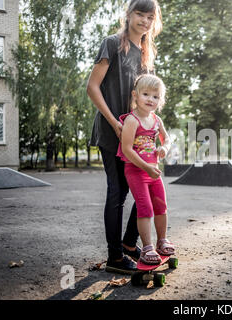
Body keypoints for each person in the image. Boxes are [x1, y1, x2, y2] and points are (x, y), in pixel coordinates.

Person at [86, 0, 163, 274]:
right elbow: (92, 87)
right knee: (117, 191)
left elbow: (147, 97)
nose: (144, 20)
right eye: (139, 13)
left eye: (149, 16)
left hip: (136, 135)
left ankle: (130, 244)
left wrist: (153, 127)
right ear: (128, 15)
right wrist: (114, 124)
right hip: (112, 131)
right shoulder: (112, 44)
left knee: (144, 186)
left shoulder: (145, 52)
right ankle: (115, 257)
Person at [117, 74, 175, 264]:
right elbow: (126, 149)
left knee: (161, 205)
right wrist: (146, 168)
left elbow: (166, 139)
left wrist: (163, 149)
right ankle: (147, 247)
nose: (150, 99)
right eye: (146, 94)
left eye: (155, 96)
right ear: (135, 95)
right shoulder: (132, 120)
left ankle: (161, 240)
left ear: (160, 100)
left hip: (153, 172)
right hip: (136, 171)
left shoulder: (156, 120)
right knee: (145, 208)